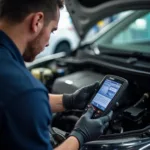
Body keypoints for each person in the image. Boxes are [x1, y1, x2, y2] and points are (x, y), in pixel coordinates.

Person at [0, 0, 112, 150]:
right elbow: (23, 97)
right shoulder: (26, 91)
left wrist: (69, 101)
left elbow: (11, 98)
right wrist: (80, 136)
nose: (48, 43)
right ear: (37, 21)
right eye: (52, 30)